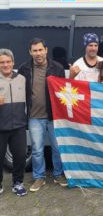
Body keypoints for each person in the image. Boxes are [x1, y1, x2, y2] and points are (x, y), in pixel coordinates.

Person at [18, 38, 67, 192]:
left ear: (46, 50)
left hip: (54, 116)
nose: (38, 53)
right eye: (35, 50)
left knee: (57, 148)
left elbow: (63, 91)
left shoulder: (57, 68)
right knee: (37, 150)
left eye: (40, 50)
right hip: (34, 116)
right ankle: (39, 177)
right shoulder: (24, 69)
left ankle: (58, 174)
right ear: (30, 52)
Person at [0, 49, 27, 196]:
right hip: (0, 126)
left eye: (8, 61)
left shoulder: (22, 79)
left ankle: (18, 183)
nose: (5, 65)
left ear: (13, 62)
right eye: (2, 62)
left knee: (20, 156)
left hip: (19, 126)